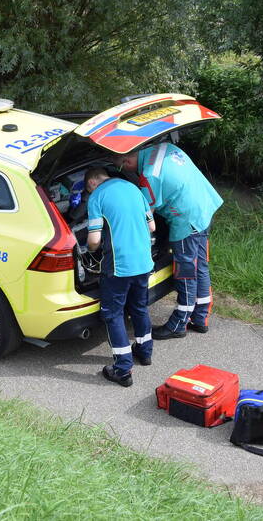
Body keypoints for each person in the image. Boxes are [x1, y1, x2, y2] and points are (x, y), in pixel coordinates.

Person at [118, 142, 222, 339]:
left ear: (128, 160)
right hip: (204, 206)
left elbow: (145, 215)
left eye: (122, 166)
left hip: (186, 219)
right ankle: (200, 317)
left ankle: (179, 324)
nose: (125, 170)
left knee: (185, 271)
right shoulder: (163, 147)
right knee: (200, 265)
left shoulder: (150, 175)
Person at [85, 166, 156, 387]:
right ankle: (144, 352)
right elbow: (151, 226)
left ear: (91, 183)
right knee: (139, 307)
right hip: (144, 262)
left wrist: (90, 251)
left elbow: (94, 240)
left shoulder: (97, 196)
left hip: (119, 266)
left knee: (113, 314)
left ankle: (122, 369)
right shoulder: (133, 188)